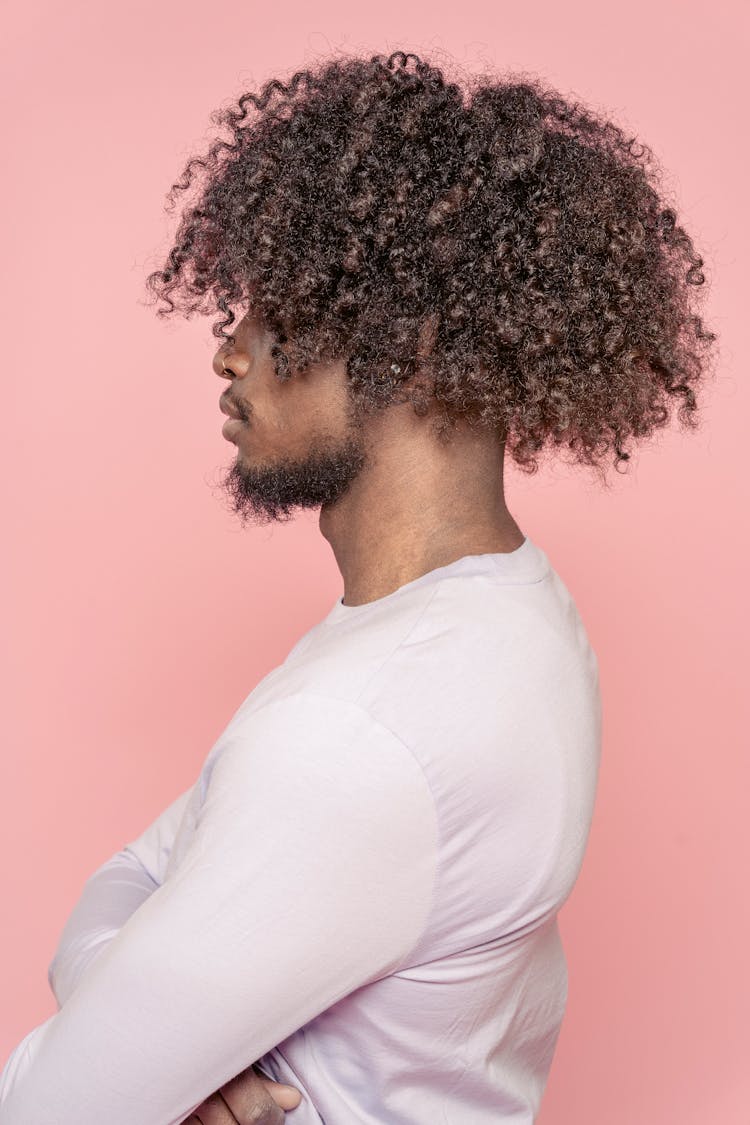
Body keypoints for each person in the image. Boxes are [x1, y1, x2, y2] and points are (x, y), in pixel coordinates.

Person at [0, 48, 716, 1125]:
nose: (228, 353)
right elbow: (127, 878)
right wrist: (148, 1028)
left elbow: (50, 1105)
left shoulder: (362, 732)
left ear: (414, 346)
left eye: (280, 307)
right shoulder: (514, 612)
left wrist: (127, 1047)